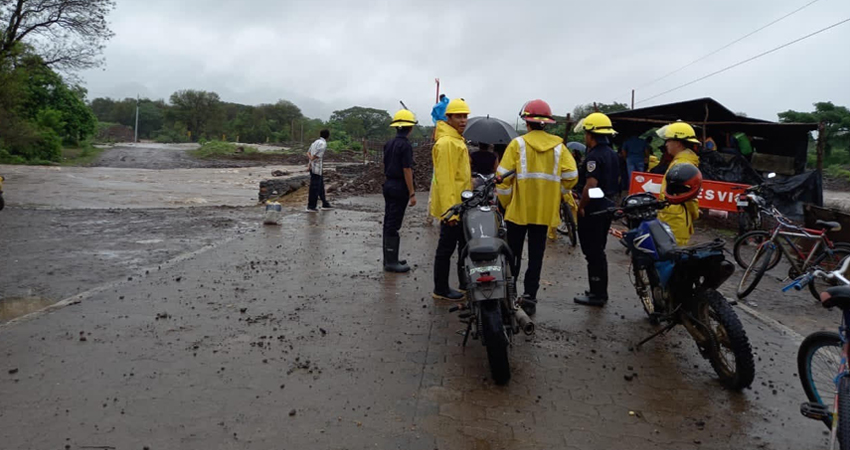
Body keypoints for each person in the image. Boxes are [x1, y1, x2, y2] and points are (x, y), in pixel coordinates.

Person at [496, 99, 578, 316]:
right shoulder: (559, 148)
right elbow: (571, 177)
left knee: (512, 254)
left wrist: (506, 204)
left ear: (526, 121)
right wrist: (554, 193)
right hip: (543, 212)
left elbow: (501, 180)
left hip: (518, 211)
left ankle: (509, 296)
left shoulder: (517, 144)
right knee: (536, 257)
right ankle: (530, 299)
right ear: (547, 123)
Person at [572, 113, 620, 307]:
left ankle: (598, 294)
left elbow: (590, 186)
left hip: (594, 209)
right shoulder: (613, 154)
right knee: (598, 250)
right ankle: (597, 290)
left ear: (591, 134)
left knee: (593, 252)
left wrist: (581, 207)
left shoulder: (594, 156)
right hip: (607, 205)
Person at [431, 98, 473, 301]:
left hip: (462, 205)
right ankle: (440, 289)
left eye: (465, 116)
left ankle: (464, 283)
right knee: (446, 248)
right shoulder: (447, 143)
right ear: (448, 118)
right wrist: (450, 211)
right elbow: (446, 180)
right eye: (458, 116)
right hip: (453, 207)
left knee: (464, 246)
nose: (463, 120)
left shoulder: (457, 140)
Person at [382, 109, 419, 273]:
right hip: (399, 187)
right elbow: (407, 169)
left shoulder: (389, 143)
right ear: (410, 128)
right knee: (393, 224)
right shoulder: (405, 146)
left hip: (388, 184)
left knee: (388, 221)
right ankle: (391, 262)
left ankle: (390, 258)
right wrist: (412, 192)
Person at [656, 121, 702, 246]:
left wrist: (694, 213)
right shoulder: (680, 161)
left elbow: (688, 196)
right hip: (673, 216)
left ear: (678, 142)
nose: (666, 144)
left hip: (675, 218)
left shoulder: (682, 164)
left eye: (668, 140)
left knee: (670, 257)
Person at [306, 129, 333, 212]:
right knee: (315, 187)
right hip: (316, 168)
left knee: (320, 186)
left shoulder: (315, 142)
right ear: (328, 136)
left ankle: (325, 203)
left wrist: (309, 163)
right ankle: (311, 206)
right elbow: (316, 156)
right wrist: (312, 159)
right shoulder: (323, 144)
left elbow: (308, 152)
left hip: (315, 168)